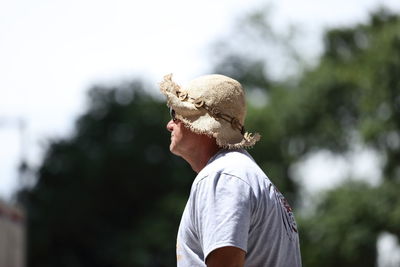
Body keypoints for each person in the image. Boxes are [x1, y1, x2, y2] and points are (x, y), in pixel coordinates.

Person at [160, 74, 302, 267]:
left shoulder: (222, 176)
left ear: (202, 124)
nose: (170, 125)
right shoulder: (241, 172)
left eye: (175, 114)